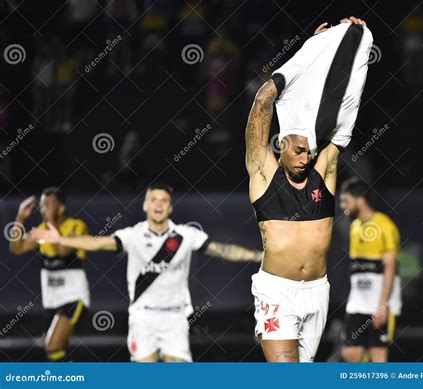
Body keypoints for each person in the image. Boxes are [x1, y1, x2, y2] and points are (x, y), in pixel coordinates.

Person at [245, 17, 372, 362]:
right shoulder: (262, 172)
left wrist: (336, 46)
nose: (306, 157)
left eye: (310, 152)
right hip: (277, 292)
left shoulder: (323, 172)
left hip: (318, 291)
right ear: (281, 144)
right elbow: (263, 102)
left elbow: (344, 104)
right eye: (299, 151)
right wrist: (306, 54)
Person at [32, 182, 262, 362]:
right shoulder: (132, 235)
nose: (158, 204)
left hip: (175, 318)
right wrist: (61, 239)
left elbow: (222, 250)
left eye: (164, 200)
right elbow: (96, 242)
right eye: (153, 200)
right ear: (145, 205)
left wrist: (258, 255)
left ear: (170, 207)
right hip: (143, 318)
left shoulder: (185, 235)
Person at [9, 187, 89, 362]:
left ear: (61, 208)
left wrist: (52, 225)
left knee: (52, 344)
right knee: (55, 349)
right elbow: (16, 248)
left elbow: (63, 251)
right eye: (42, 204)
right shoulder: (41, 230)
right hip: (52, 301)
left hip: (73, 298)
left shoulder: (76, 226)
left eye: (48, 204)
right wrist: (20, 218)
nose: (43, 209)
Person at [339, 177, 401, 362]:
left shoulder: (385, 225)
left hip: (379, 304)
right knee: (350, 354)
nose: (342, 206)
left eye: (345, 200)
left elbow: (390, 267)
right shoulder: (354, 227)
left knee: (378, 357)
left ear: (360, 200)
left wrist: (382, 305)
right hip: (356, 304)